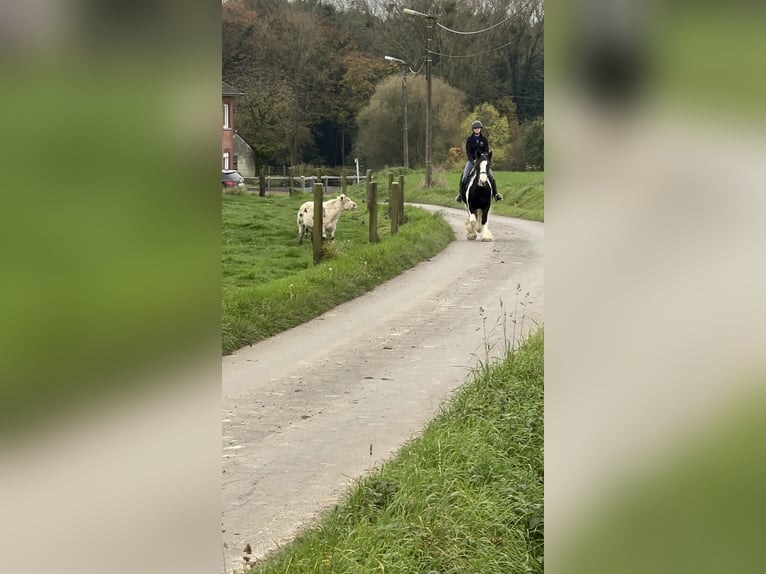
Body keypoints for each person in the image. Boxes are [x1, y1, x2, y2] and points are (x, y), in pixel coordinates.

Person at [455, 120, 502, 203]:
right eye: (475, 128)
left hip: (482, 161)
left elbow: (486, 151)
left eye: (478, 128)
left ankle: (496, 194)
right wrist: (472, 161)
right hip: (472, 161)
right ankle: (460, 195)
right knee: (464, 176)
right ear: (473, 129)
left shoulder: (484, 140)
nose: (477, 130)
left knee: (491, 176)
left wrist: (483, 159)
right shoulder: (469, 140)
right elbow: (468, 152)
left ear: (481, 129)